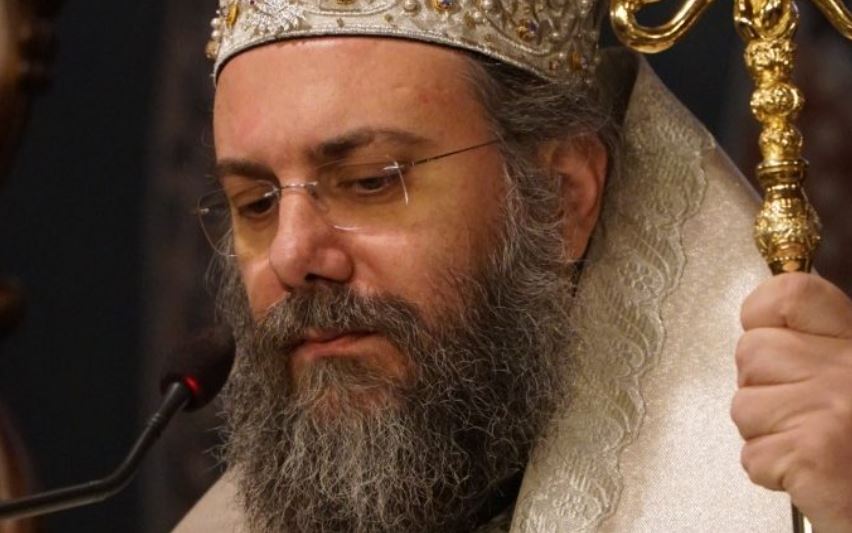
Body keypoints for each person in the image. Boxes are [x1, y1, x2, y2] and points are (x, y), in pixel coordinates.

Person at [175, 0, 852, 531]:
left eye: (370, 181)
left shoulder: (798, 495)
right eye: (256, 203)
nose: (292, 254)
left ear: (560, 200)